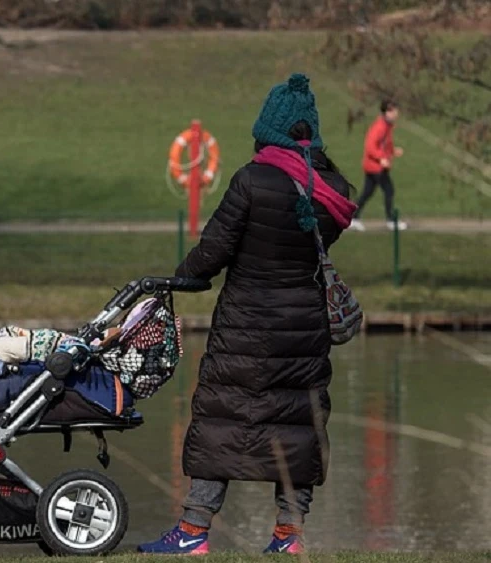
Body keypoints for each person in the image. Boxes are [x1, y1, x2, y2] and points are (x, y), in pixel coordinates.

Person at [137, 74, 357, 555]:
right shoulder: (332, 191)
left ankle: (193, 531)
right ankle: (288, 537)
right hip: (304, 328)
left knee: (222, 419)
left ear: (268, 129)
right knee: (300, 426)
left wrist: (182, 277)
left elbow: (214, 249)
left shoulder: (252, 179)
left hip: (246, 325)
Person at [349, 100, 405, 231]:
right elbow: (370, 146)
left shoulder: (387, 126)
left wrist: (393, 151)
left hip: (375, 166)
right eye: (392, 111)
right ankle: (391, 220)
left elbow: (386, 143)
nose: (395, 113)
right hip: (375, 167)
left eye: (395, 110)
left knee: (367, 193)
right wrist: (381, 159)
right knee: (389, 190)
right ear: (385, 112)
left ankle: (353, 218)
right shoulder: (379, 127)